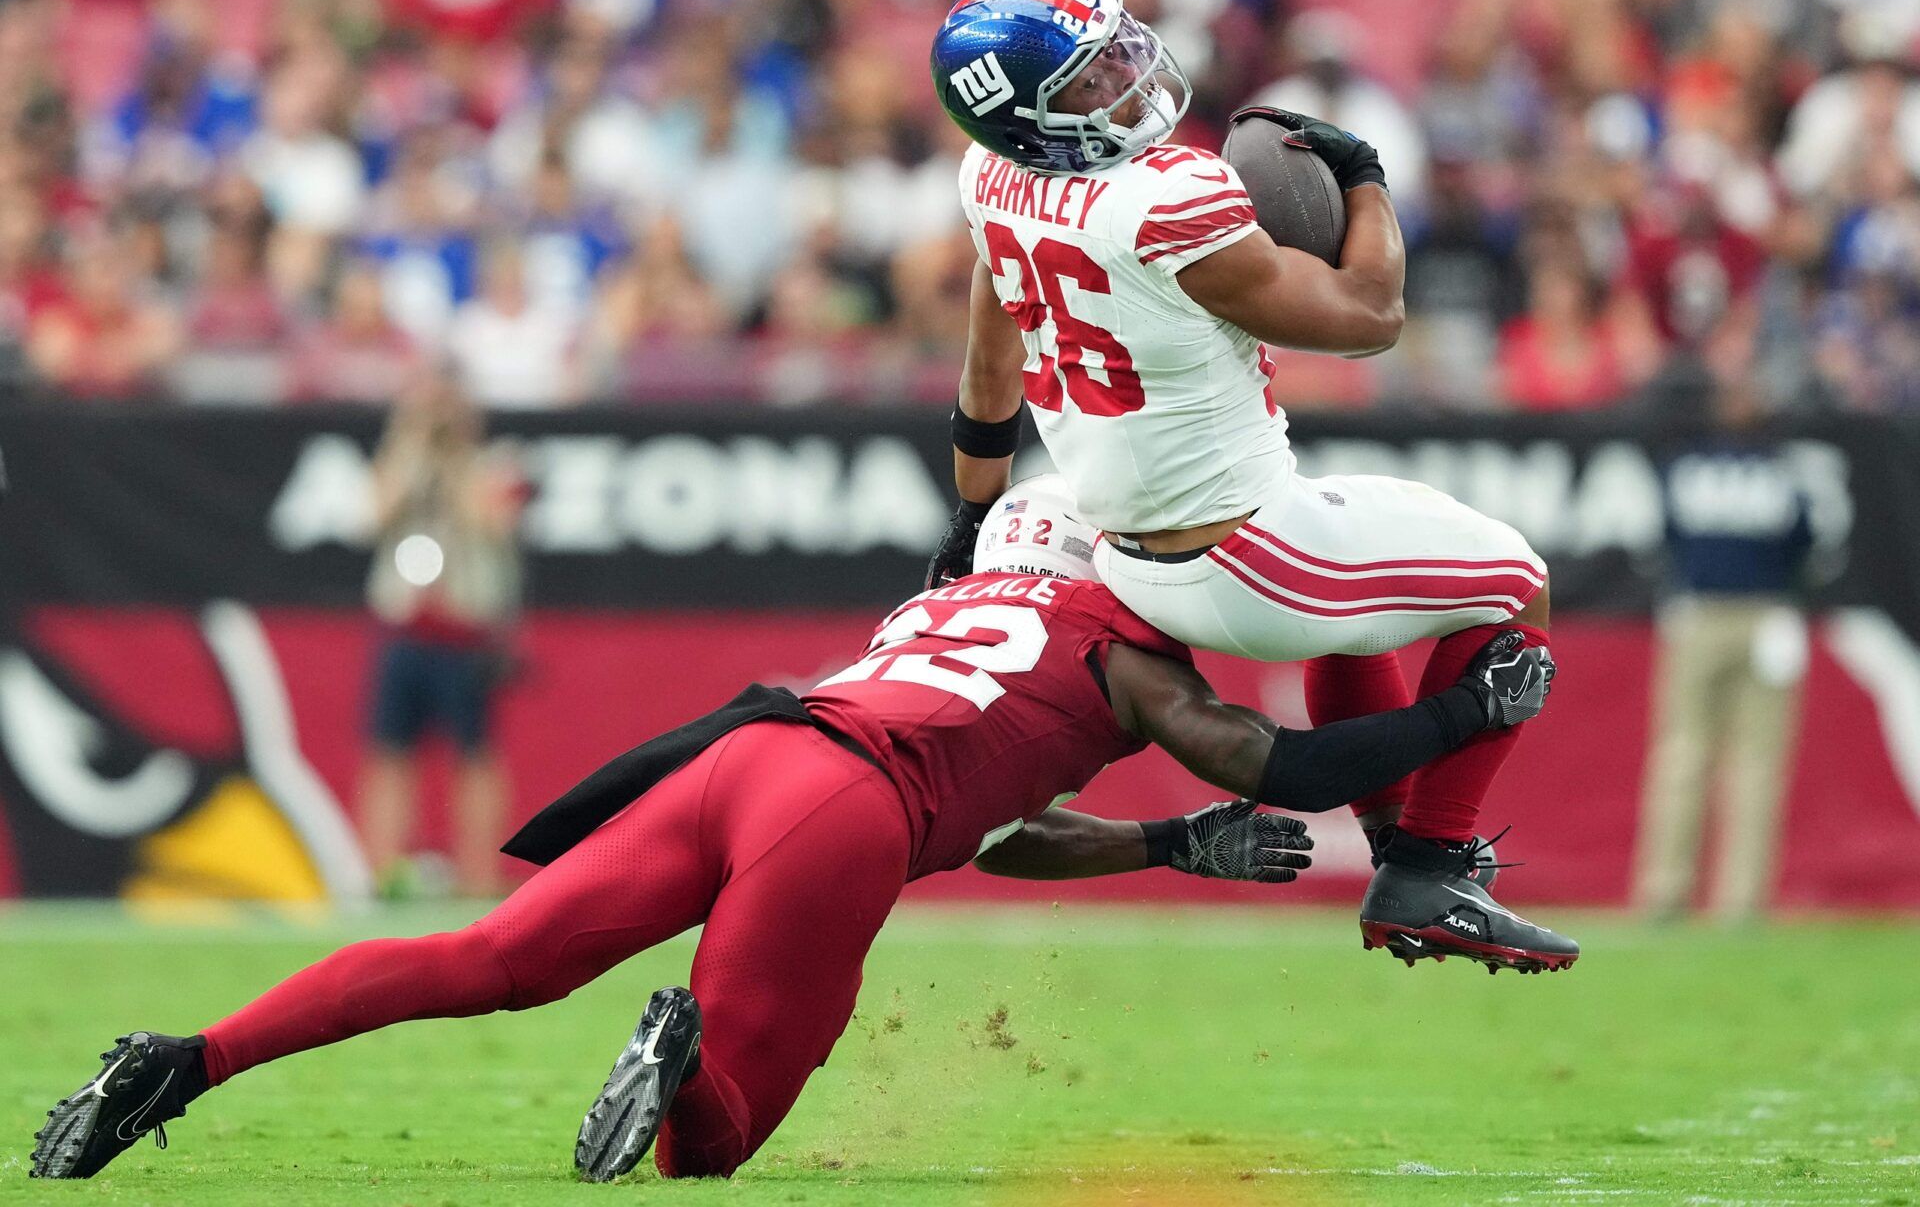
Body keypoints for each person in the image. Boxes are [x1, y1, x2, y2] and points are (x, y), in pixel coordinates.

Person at [29, 476, 1553, 1183]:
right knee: (717, 1145)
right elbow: (1281, 763)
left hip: (752, 751)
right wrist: (1455, 720)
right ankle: (682, 1054)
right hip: (843, 813)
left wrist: (1161, 849)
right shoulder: (1129, 646)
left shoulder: (949, 602)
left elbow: (999, 826)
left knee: (494, 953)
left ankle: (188, 1059)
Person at [927, 0, 1572, 969]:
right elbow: (1370, 319)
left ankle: (1403, 838)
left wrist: (969, 516)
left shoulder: (990, 178)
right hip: (1248, 550)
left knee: (1367, 604)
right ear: (1029, 118)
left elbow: (989, 358)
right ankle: (1433, 859)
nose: (1125, 78)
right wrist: (1367, 179)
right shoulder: (1161, 200)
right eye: (1090, 83)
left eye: (1117, 50)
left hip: (1132, 548)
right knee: (1516, 584)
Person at [1634, 379, 1814, 922]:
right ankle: (1740, 900)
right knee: (1751, 764)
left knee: (1685, 756)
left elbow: (1664, 538)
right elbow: (1806, 546)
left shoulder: (1683, 467)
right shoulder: (1785, 472)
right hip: (1763, 615)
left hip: (1704, 614)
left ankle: (1669, 892)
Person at [361, 375, 524, 898]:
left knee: (475, 756)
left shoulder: (493, 464)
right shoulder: (400, 463)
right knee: (388, 752)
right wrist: (412, 447)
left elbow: (492, 522)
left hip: (464, 633)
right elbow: (372, 517)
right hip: (405, 628)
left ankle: (478, 876)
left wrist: (454, 460)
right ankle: (380, 874)